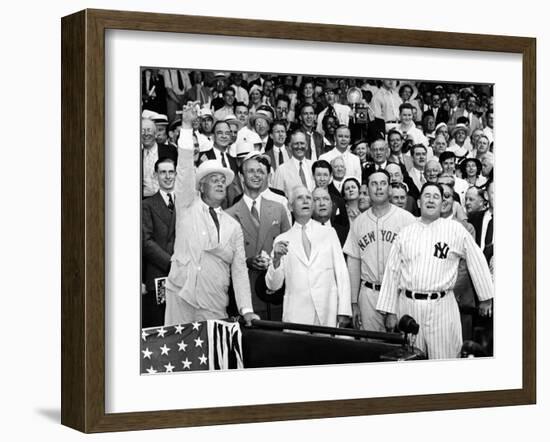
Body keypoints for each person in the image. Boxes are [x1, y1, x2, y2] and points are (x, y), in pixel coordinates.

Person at [164, 104, 260, 326]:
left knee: (211, 359)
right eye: (213, 179)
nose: (219, 183)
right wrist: (187, 127)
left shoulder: (233, 226)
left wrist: (246, 310)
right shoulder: (187, 206)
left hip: (215, 303)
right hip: (181, 298)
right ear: (201, 186)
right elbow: (185, 169)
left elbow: (239, 270)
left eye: (223, 181)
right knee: (180, 359)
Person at [376, 182, 494, 359]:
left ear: (443, 203)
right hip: (409, 306)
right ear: (418, 202)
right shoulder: (405, 232)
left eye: (436, 196)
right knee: (411, 362)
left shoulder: (455, 229)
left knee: (444, 361)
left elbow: (476, 260)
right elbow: (392, 272)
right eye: (427, 196)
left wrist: (486, 298)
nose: (431, 200)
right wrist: (390, 311)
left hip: (442, 307)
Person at [265, 185, 352, 327]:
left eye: (308, 198)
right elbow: (274, 285)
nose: (305, 201)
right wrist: (276, 260)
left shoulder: (329, 233)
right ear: (290, 207)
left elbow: (342, 274)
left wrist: (344, 310)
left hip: (328, 313)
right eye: (300, 198)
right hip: (296, 317)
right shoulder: (282, 240)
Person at [343, 170, 416, 332]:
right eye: (374, 184)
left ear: (390, 189)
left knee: (402, 346)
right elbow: (354, 264)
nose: (378, 188)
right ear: (367, 190)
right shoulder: (358, 222)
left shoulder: (407, 220)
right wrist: (354, 303)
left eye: (383, 183)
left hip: (399, 292)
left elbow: (415, 263)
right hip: (369, 293)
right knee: (370, 347)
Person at [226, 152, 291, 320]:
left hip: (276, 289)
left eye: (260, 172)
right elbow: (227, 258)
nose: (256, 175)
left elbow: (290, 248)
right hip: (247, 292)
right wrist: (248, 261)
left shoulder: (279, 208)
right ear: (241, 176)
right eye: (251, 171)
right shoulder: (229, 215)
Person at [142, 157, 177, 327]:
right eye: (163, 172)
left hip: (184, 275)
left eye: (171, 172)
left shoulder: (185, 203)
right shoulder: (146, 205)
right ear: (155, 175)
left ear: (176, 174)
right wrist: (171, 263)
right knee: (161, 325)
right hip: (159, 273)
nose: (167, 176)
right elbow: (146, 242)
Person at [141, 118, 178, 198]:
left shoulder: (171, 150)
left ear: (155, 134)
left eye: (148, 130)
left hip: (169, 198)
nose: (146, 134)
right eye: (142, 131)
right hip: (145, 201)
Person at [272, 130, 315, 197]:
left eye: (302, 143)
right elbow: (277, 198)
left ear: (306, 146)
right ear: (290, 147)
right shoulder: (281, 170)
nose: (299, 146)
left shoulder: (313, 166)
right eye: (296, 144)